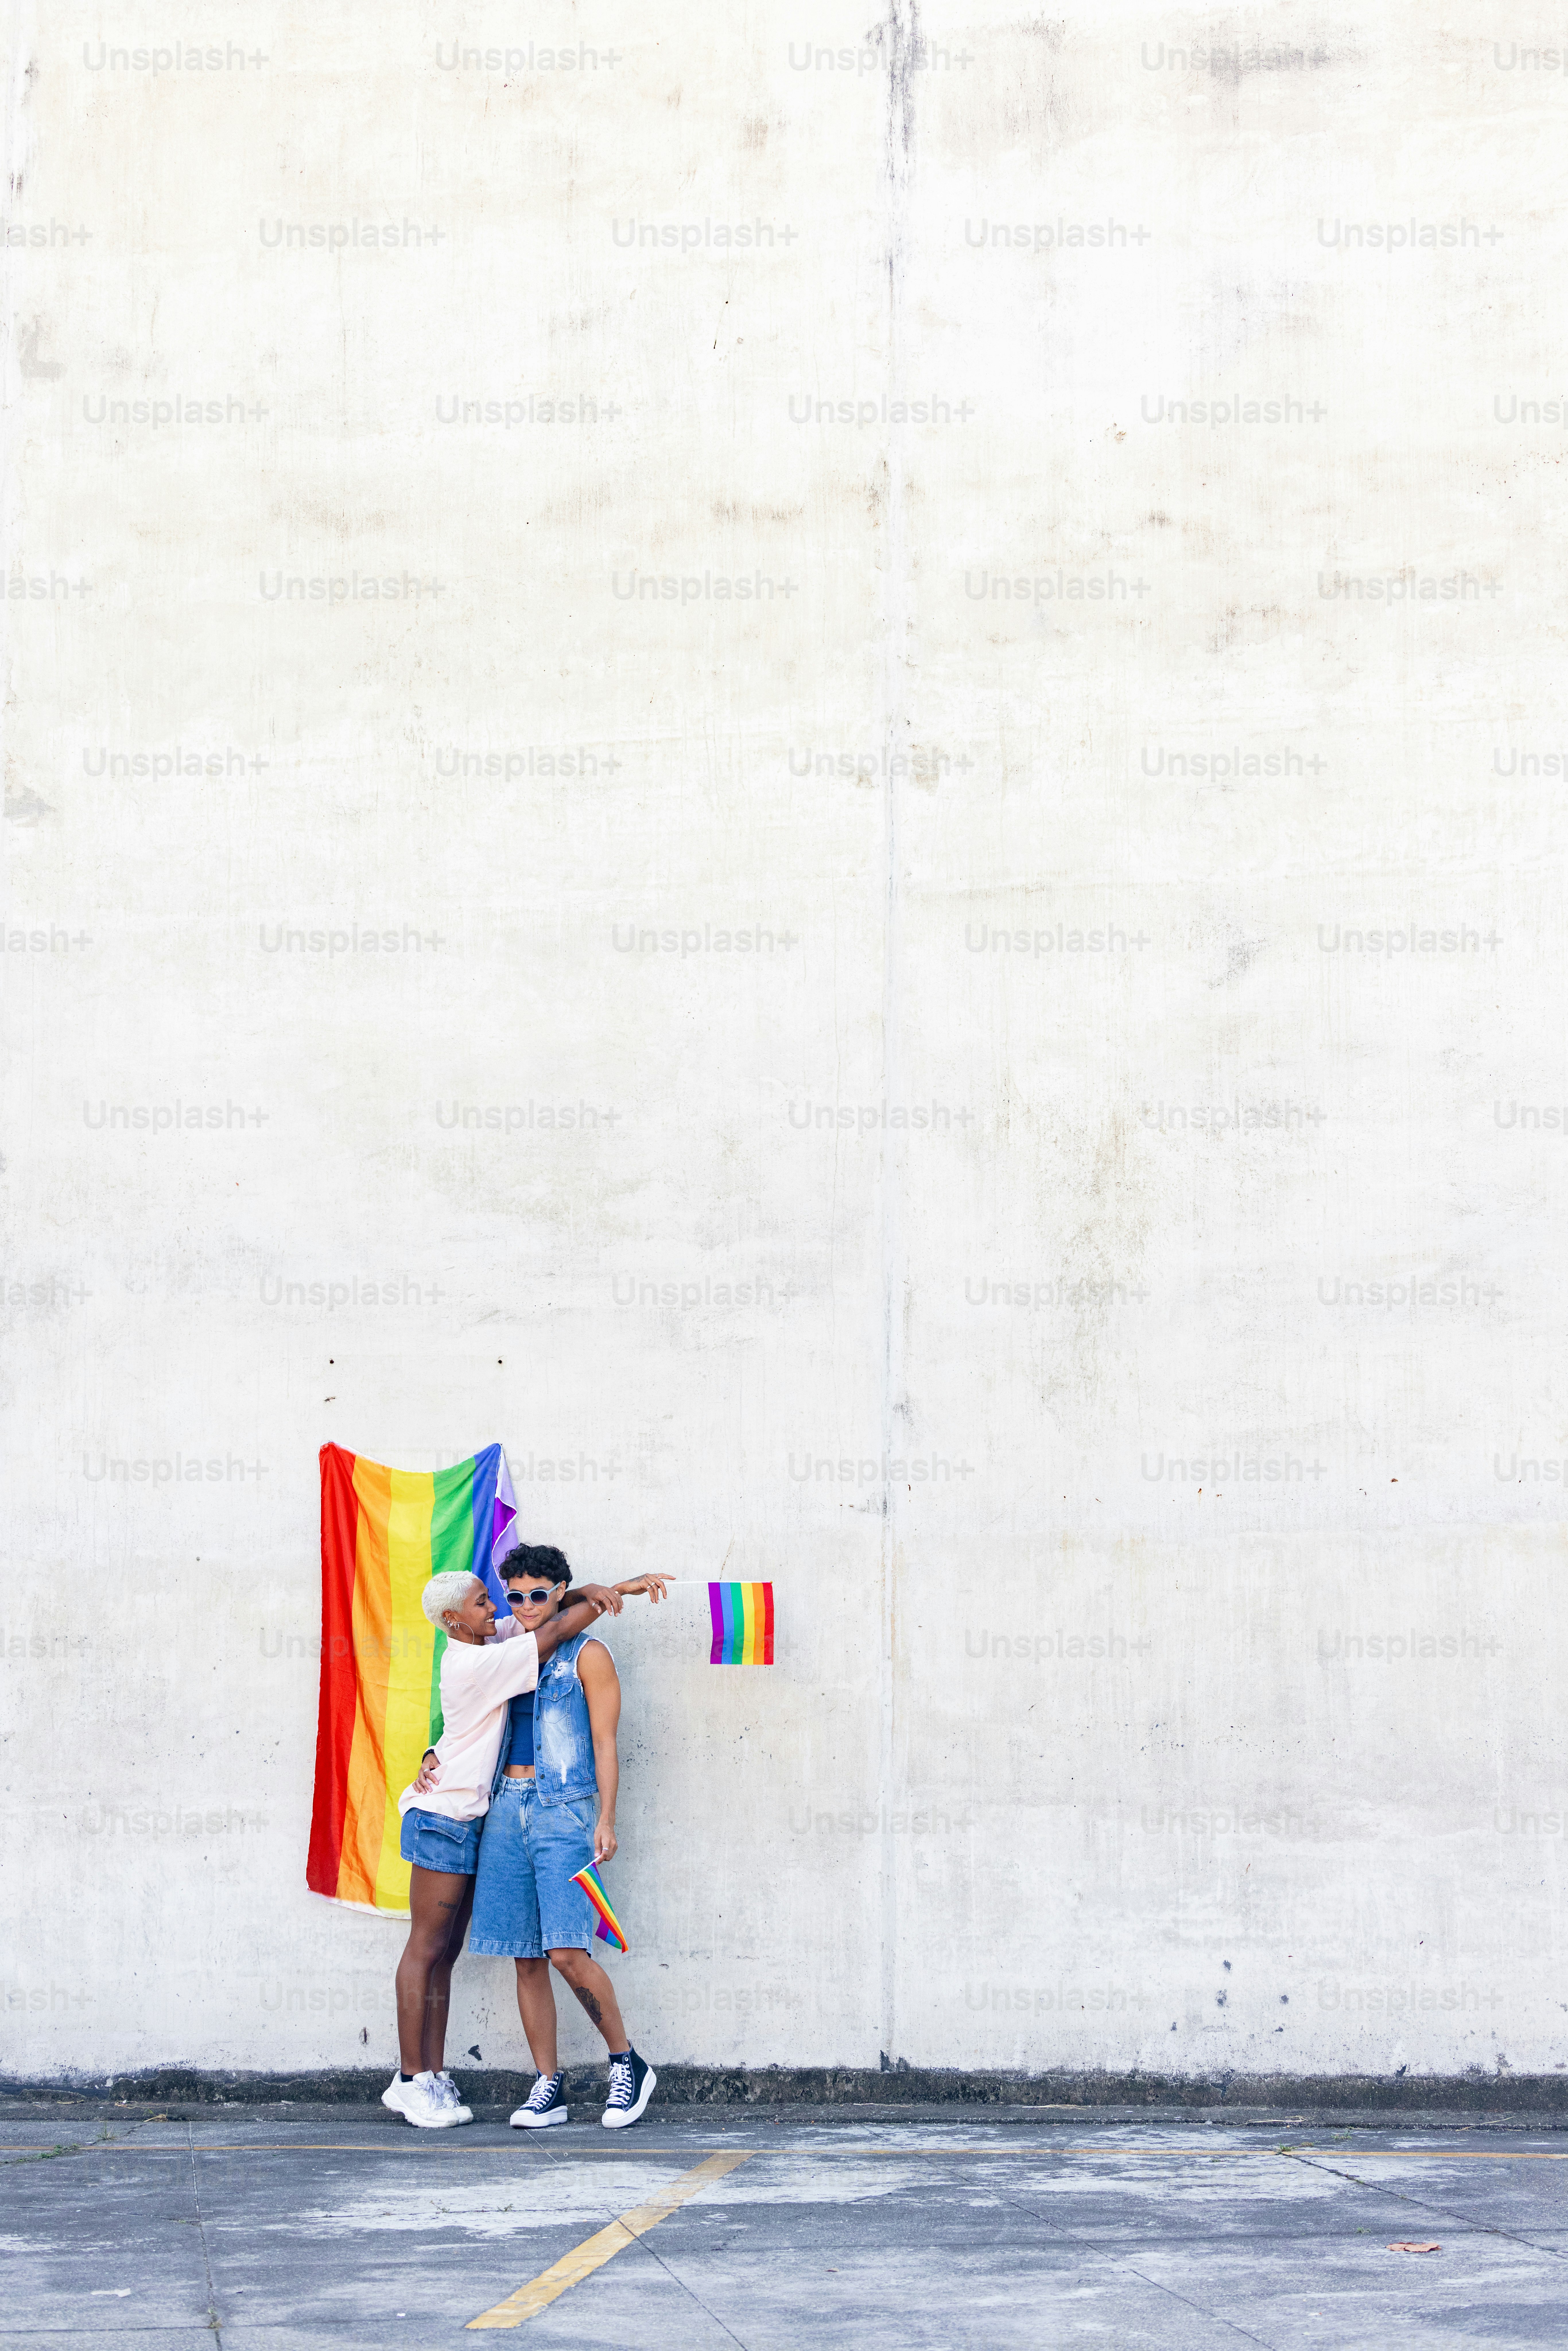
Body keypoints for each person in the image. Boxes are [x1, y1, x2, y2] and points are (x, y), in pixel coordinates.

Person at [417, 1544, 664, 2131]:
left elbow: (606, 1743)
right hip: (503, 1809)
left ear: (559, 1592)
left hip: (564, 1814)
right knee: (525, 1957)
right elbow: (466, 1723)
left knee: (566, 1953)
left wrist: (606, 1817)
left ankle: (627, 2063)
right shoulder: (496, 1649)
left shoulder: (589, 1654)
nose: (525, 1606)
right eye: (515, 1595)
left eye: (538, 1594)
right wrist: (431, 1755)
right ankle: (546, 2084)